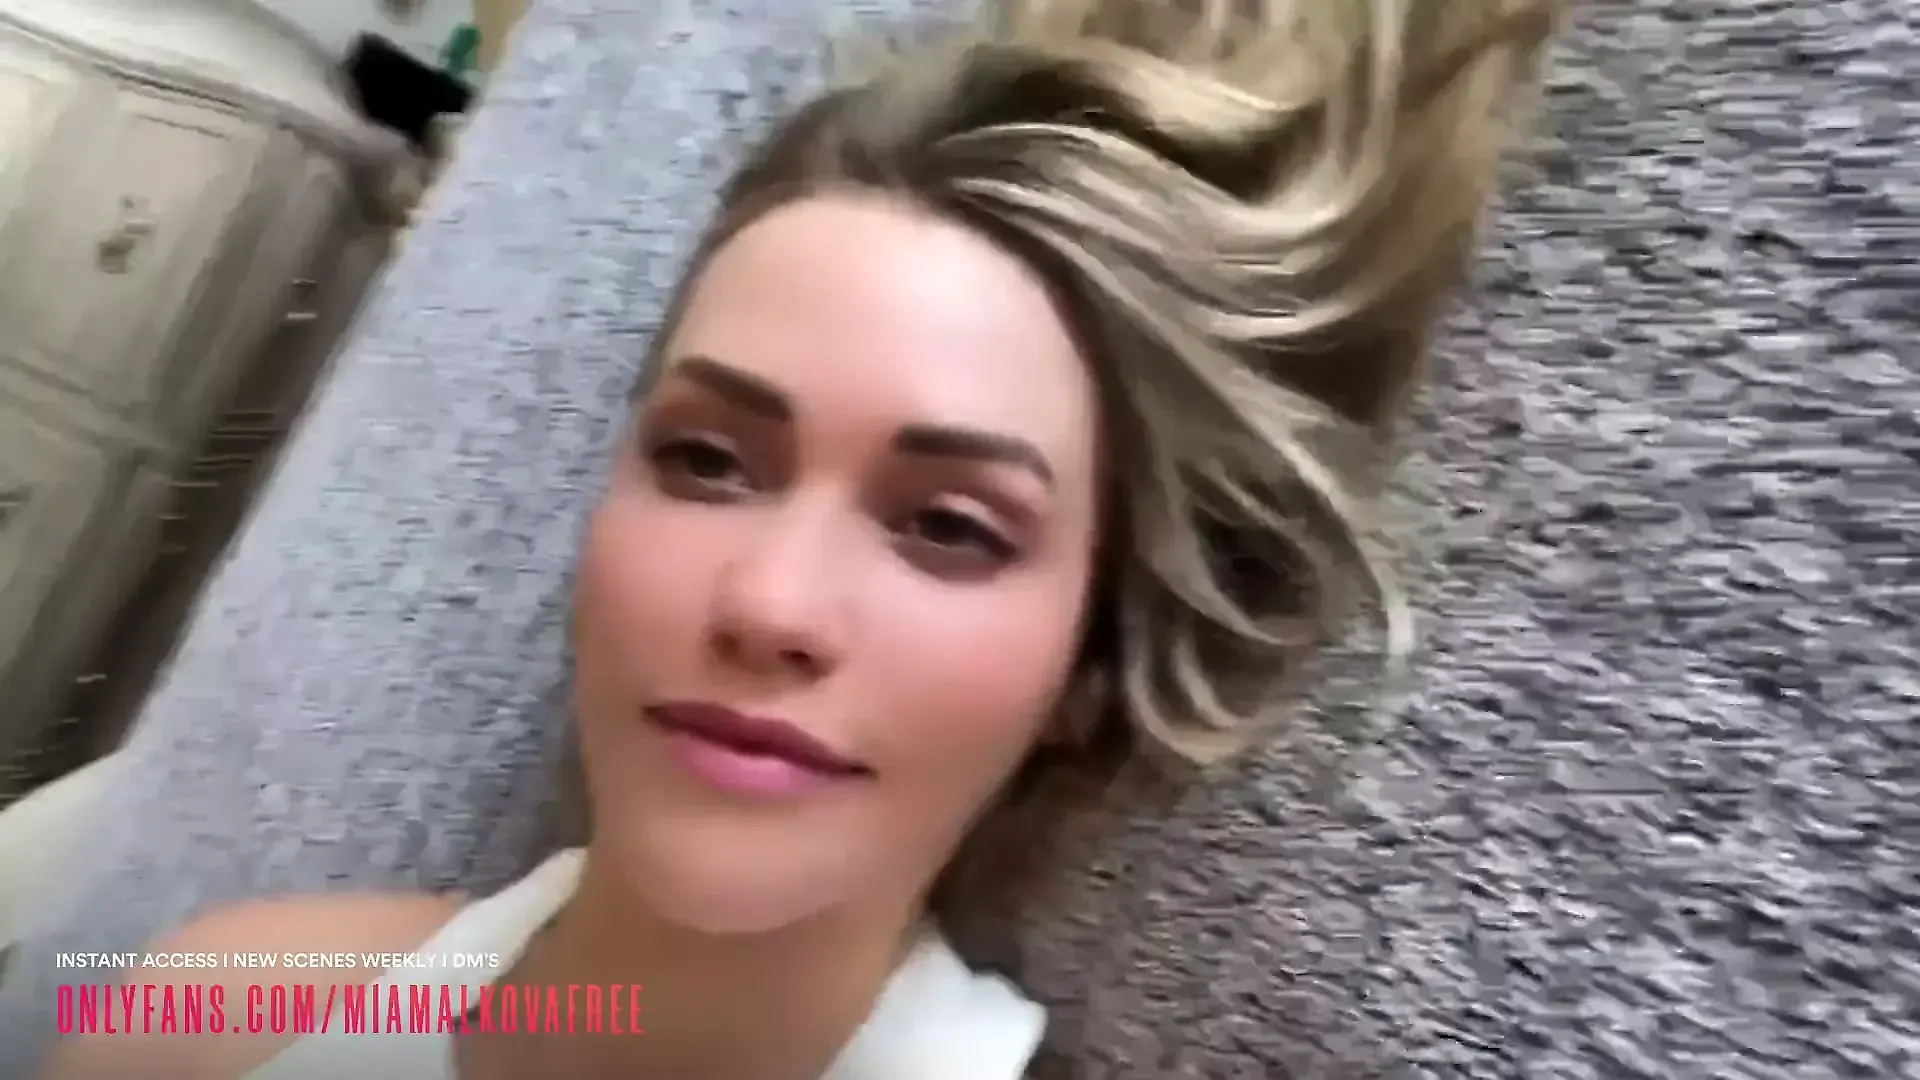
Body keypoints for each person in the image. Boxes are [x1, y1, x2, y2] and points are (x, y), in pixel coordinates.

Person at [37, 1, 1560, 1077]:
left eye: (950, 528)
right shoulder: (227, 1002)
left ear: (1090, 665)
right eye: (707, 461)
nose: (769, 602)